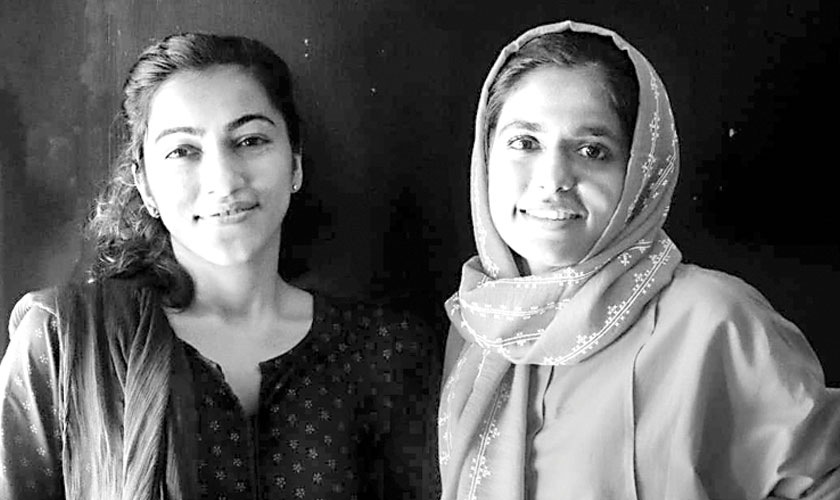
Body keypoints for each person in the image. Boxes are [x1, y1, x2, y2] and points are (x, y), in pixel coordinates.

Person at [0, 32, 439, 499]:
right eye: (182, 151)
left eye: (250, 140)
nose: (224, 180)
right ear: (144, 184)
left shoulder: (386, 352)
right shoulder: (67, 341)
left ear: (295, 162)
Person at [438, 20, 840, 499]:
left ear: (638, 171)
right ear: (485, 158)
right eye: (525, 142)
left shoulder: (715, 321)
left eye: (592, 150)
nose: (553, 178)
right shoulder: (480, 326)